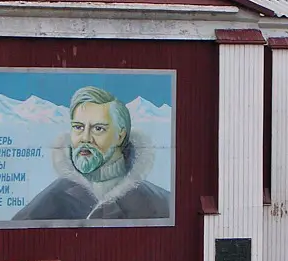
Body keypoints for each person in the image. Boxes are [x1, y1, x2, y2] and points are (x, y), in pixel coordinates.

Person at [12, 86, 171, 221]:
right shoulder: (46, 203)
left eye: (98, 129)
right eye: (78, 127)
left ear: (120, 136)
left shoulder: (161, 204)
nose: (85, 138)